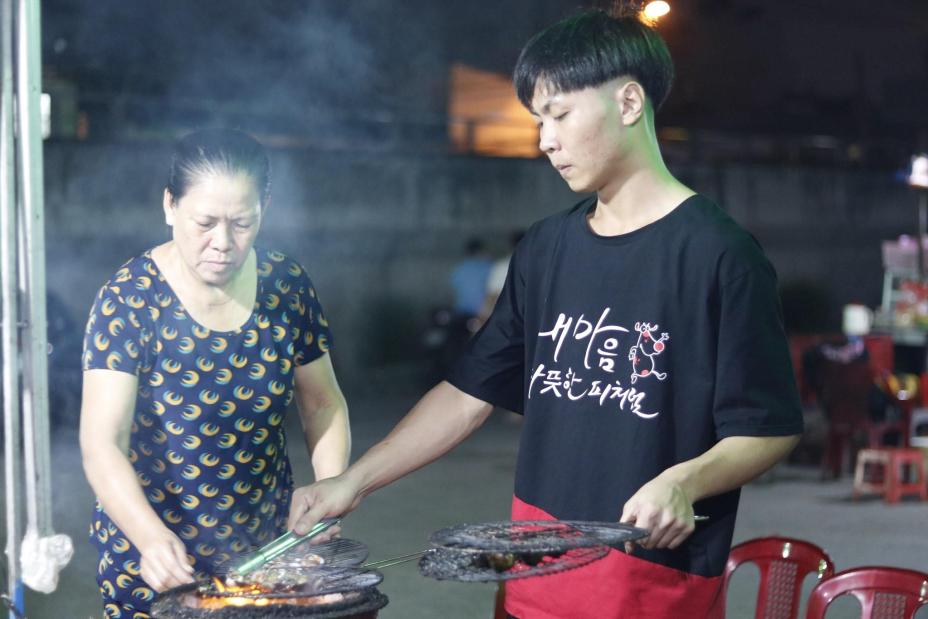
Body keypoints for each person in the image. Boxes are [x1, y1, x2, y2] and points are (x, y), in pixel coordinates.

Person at [288, 9, 803, 619]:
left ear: (629, 102)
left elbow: (768, 428)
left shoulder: (720, 256)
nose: (545, 139)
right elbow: (465, 395)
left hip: (648, 587)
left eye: (559, 114)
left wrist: (685, 481)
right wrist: (354, 481)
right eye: (539, 120)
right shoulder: (545, 248)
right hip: (534, 571)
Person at [79, 128, 351, 619]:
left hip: (266, 553)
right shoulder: (128, 299)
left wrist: (330, 487)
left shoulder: (286, 286)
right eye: (204, 222)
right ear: (169, 206)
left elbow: (322, 403)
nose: (222, 243)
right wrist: (149, 536)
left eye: (242, 223)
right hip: (155, 556)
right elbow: (102, 443)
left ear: (263, 210)